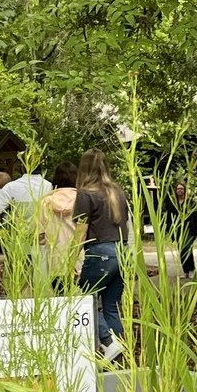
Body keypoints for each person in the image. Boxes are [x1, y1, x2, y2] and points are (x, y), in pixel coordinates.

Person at [52, 149, 130, 348]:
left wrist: (70, 262)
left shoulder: (86, 194)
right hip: (122, 251)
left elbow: (80, 232)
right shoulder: (117, 192)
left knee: (84, 299)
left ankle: (108, 341)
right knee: (111, 305)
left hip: (100, 253)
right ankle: (119, 349)